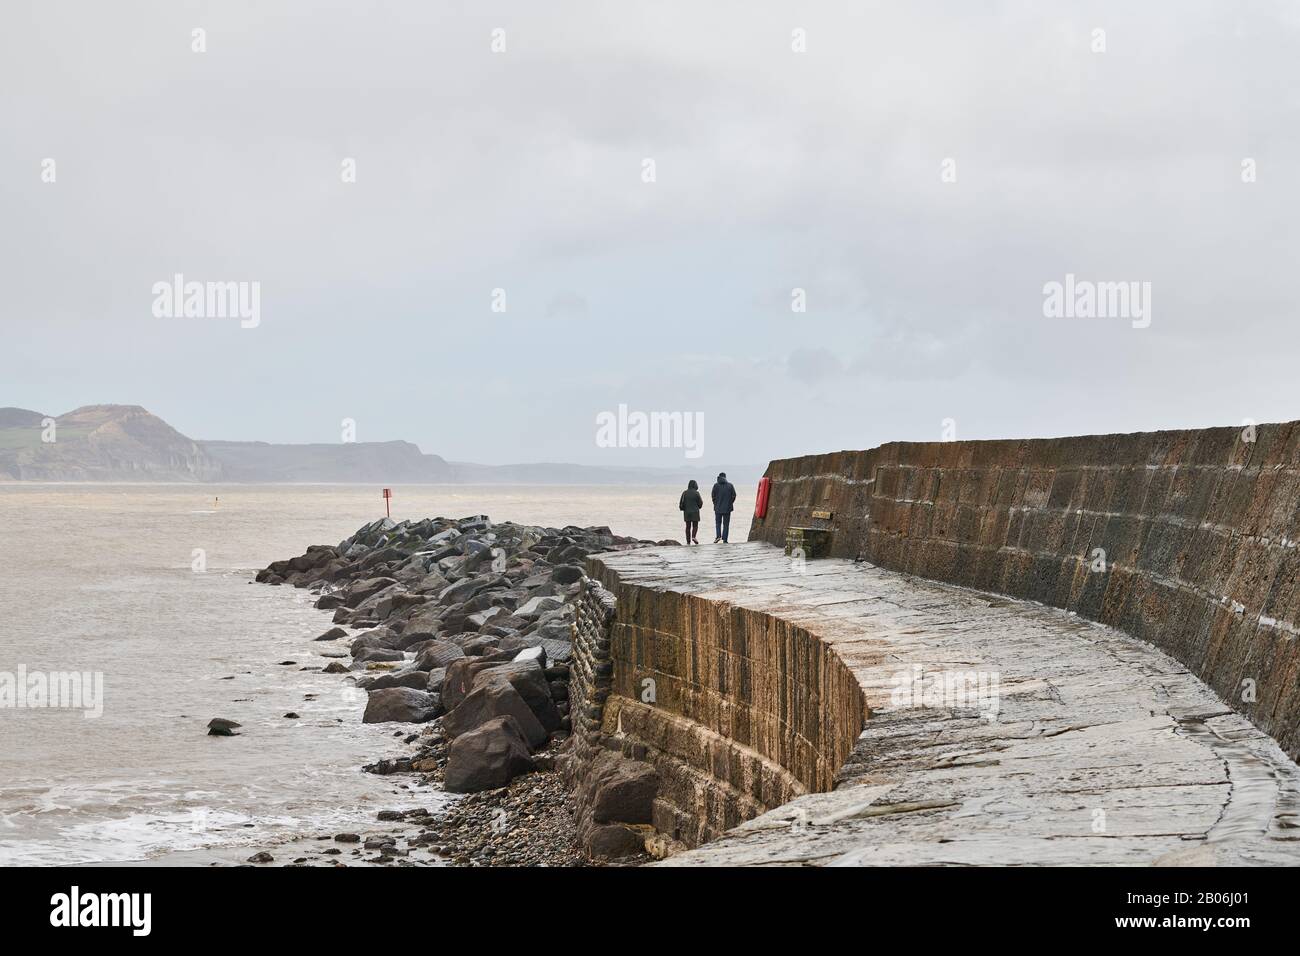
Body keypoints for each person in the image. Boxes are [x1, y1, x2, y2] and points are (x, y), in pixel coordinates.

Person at [711, 471, 737, 543]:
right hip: (727, 508)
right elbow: (734, 496)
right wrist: (730, 503)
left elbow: (713, 496)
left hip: (718, 508)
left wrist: (715, 504)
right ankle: (725, 540)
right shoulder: (730, 485)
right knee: (726, 524)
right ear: (725, 477)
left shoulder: (716, 486)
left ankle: (718, 536)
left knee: (718, 523)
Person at [678, 479, 703, 545]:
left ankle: (688, 541)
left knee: (687, 527)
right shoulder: (696, 493)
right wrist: (698, 507)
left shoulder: (684, 493)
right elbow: (700, 503)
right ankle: (694, 537)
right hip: (695, 512)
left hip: (687, 512)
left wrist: (683, 509)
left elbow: (681, 502)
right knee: (695, 526)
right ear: (695, 485)